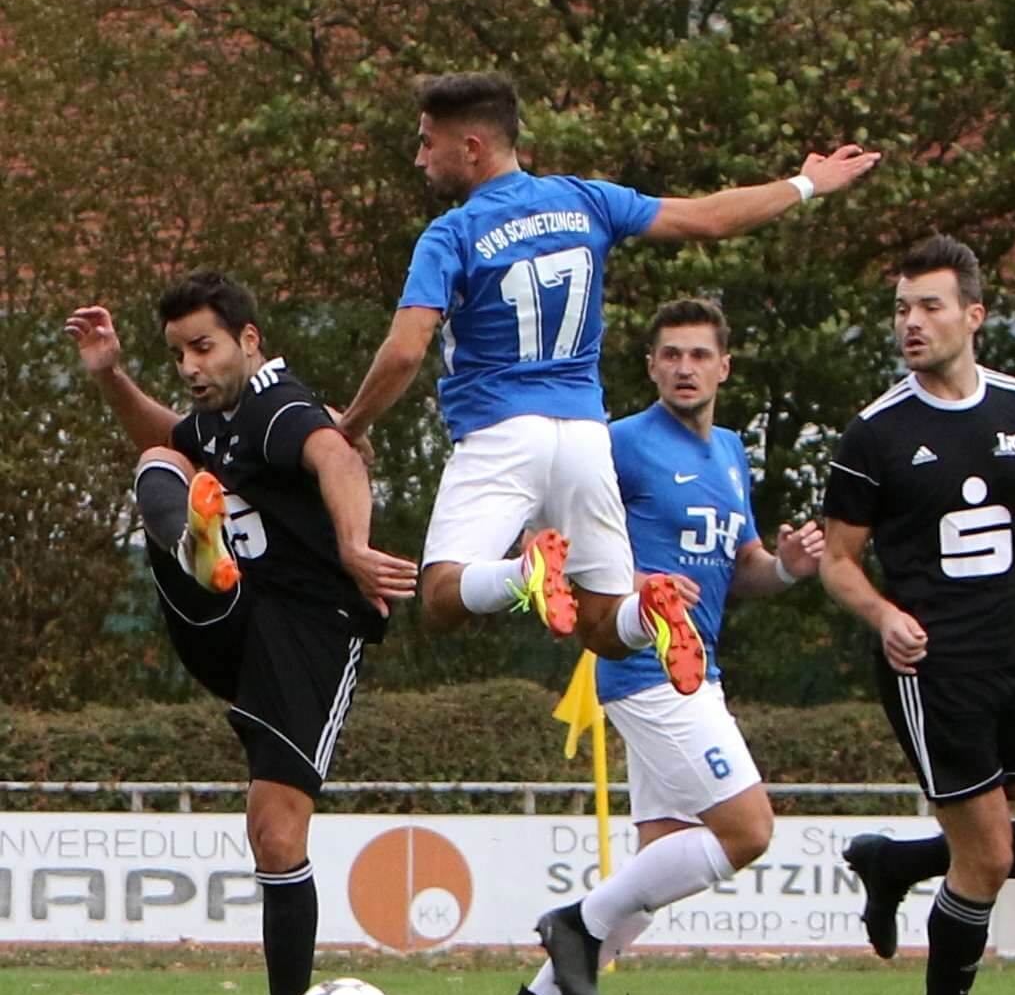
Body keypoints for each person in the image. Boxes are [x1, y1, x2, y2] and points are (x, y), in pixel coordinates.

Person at [337, 71, 877, 696]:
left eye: (430, 142)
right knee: (603, 624)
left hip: (500, 434)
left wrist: (352, 425)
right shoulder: (584, 201)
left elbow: (406, 350)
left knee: (439, 595)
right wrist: (806, 183)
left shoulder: (451, 234)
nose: (420, 157)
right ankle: (652, 607)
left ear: (473, 147)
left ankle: (522, 574)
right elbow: (708, 219)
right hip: (587, 439)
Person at [65, 272, 418, 995]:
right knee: (163, 450)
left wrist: (357, 545)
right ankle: (199, 554)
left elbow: (334, 450)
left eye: (204, 346)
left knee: (274, 834)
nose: (190, 364)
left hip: (309, 630)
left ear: (249, 340)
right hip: (240, 615)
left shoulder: (273, 400)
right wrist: (114, 375)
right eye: (178, 351)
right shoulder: (221, 418)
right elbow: (171, 428)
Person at [819, 235, 1015, 995]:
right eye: (902, 307)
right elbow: (839, 562)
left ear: (974, 315)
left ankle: (900, 860)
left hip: (1010, 659)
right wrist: (882, 615)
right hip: (928, 668)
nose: (911, 321)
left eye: (930, 305)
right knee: (982, 853)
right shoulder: (875, 432)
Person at [500, 298, 824, 995]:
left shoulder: (732, 452)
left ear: (724, 367)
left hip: (697, 669)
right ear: (650, 366)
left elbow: (742, 569)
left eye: (700, 354)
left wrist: (790, 569)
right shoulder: (622, 444)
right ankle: (575, 924)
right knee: (747, 829)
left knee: (662, 855)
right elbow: (548, 509)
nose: (686, 367)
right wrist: (545, 570)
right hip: (644, 663)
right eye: (671, 354)